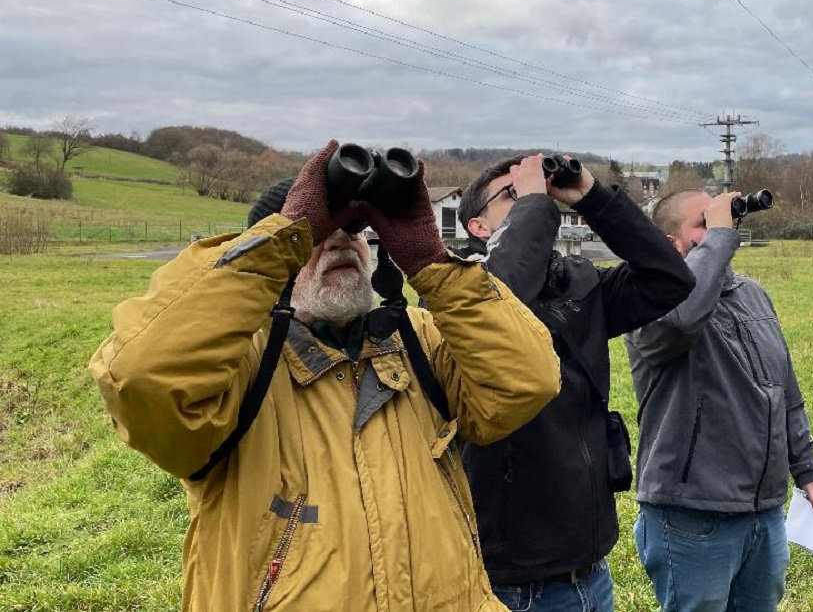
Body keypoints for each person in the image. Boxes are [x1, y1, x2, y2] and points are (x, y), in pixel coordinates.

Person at [88, 140, 561, 612]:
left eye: (354, 231)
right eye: (316, 235)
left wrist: (430, 263)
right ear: (275, 262)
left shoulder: (417, 339)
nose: (340, 241)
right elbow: (142, 377)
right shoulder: (238, 362)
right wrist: (280, 241)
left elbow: (528, 381)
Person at [455, 154, 695, 611]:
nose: (534, 198)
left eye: (537, 192)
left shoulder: (578, 284)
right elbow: (499, 309)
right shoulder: (460, 292)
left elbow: (670, 278)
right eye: (513, 195)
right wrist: (536, 206)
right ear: (478, 227)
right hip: (510, 580)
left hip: (589, 567)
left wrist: (593, 198)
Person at [624, 188, 813, 612]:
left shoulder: (752, 295)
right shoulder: (647, 300)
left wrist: (807, 467)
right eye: (704, 224)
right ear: (670, 243)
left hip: (763, 512)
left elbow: (785, 389)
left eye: (724, 223)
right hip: (691, 515)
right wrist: (719, 237)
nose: (723, 231)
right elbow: (681, 322)